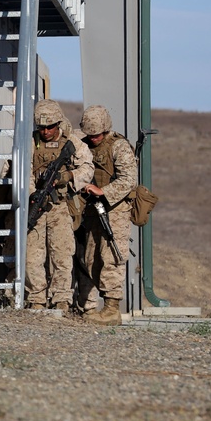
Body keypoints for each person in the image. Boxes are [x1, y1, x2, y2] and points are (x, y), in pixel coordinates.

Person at [26, 99, 94, 311]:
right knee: (33, 256)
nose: (45, 131)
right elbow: (20, 169)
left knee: (62, 255)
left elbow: (87, 168)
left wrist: (69, 176)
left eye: (50, 127)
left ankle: (61, 300)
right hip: (37, 205)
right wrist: (31, 193)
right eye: (41, 128)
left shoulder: (72, 142)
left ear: (58, 123)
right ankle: (36, 299)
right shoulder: (30, 142)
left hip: (61, 206)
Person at [76, 105, 137, 325]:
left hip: (116, 210)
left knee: (111, 257)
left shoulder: (118, 146)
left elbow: (129, 179)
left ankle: (111, 309)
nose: (94, 139)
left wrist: (104, 192)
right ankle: (90, 306)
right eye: (90, 135)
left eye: (98, 135)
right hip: (92, 210)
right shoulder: (81, 146)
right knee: (91, 258)